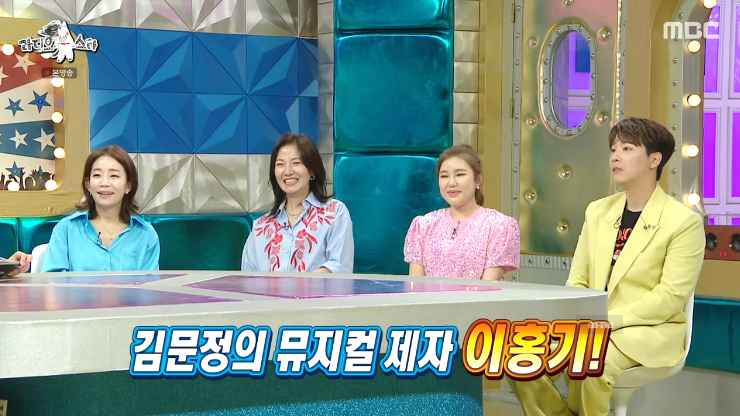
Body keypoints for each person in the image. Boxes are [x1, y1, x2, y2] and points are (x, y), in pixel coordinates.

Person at [512, 118, 705, 416]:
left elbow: (670, 298)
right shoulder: (598, 211)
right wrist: (578, 320)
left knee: (591, 362)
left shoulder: (682, 223)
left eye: (627, 149)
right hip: (591, 326)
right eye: (613, 149)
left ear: (654, 160)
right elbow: (578, 280)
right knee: (520, 359)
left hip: (647, 331)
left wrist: (607, 321)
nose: (615, 156)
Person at [403, 145, 519, 280]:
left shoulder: (498, 226)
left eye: (460, 174)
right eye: (444, 176)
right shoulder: (423, 225)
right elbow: (416, 284)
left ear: (478, 180)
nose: (451, 183)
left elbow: (489, 285)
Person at [241, 133, 354, 273]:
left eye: (296, 163)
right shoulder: (261, 226)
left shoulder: (335, 213)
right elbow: (247, 277)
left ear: (312, 170)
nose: (287, 171)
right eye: (280, 164)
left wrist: (299, 284)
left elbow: (340, 267)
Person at [42, 145, 160, 272]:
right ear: (88, 184)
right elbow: (54, 281)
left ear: (128, 186)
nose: (104, 183)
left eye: (114, 176)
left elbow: (150, 283)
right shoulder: (66, 229)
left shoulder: (146, 234)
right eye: (97, 175)